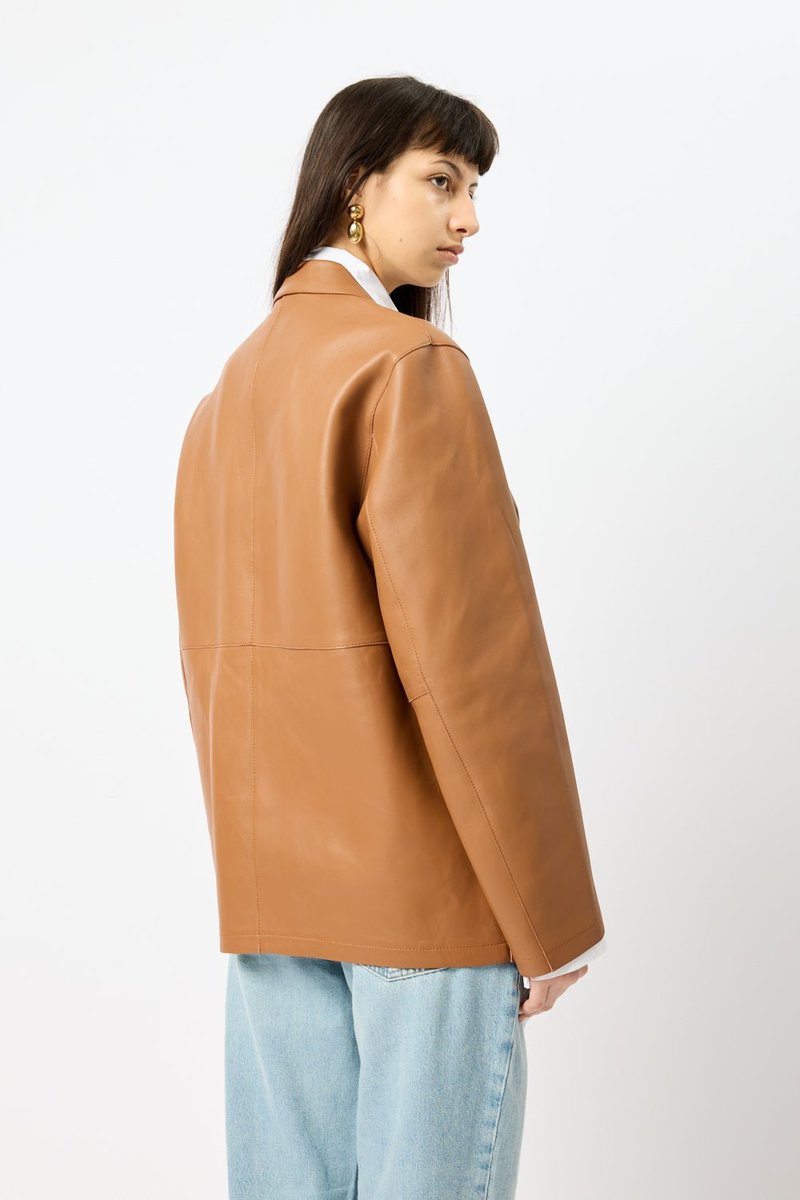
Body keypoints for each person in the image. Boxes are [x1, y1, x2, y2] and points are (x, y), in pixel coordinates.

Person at [173, 74, 607, 1200]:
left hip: (272, 903)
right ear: (355, 186)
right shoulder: (409, 366)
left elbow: (216, 673)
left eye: (475, 189)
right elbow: (478, 672)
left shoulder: (226, 396)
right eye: (443, 181)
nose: (471, 219)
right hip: (423, 901)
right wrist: (551, 920)